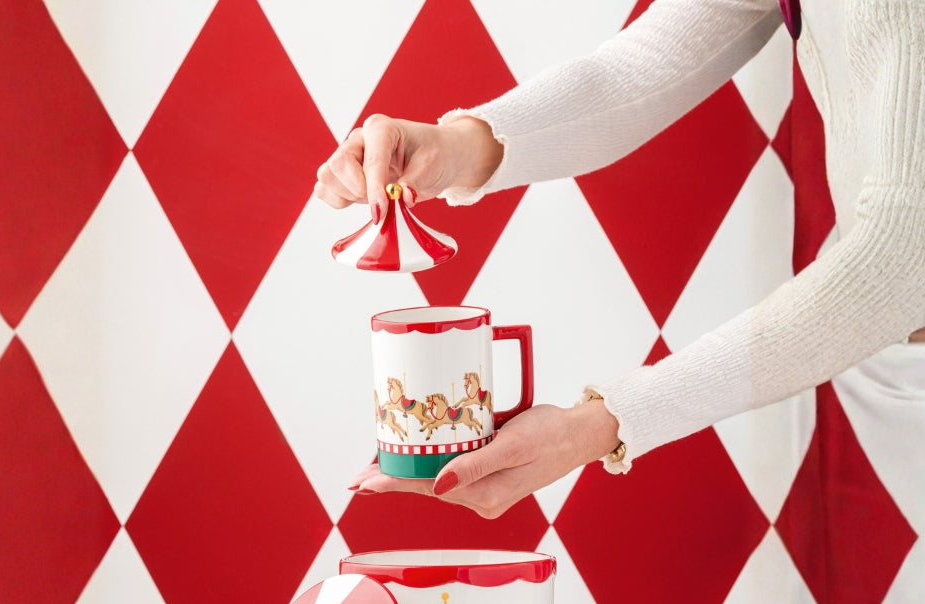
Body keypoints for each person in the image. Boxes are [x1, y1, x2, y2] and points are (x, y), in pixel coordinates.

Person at [315, 0, 925, 519]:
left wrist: (605, 421)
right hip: (876, 355)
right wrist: (457, 147)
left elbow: (901, 256)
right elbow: (646, 67)